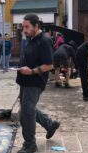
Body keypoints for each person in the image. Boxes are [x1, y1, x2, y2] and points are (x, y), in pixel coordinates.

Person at [17, 13, 60, 153]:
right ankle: (50, 124)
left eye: (27, 26)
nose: (24, 29)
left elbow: (50, 65)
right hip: (25, 80)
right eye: (23, 27)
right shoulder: (32, 38)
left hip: (35, 81)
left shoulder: (44, 40)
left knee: (26, 112)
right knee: (27, 108)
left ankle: (30, 144)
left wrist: (31, 71)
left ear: (36, 26)